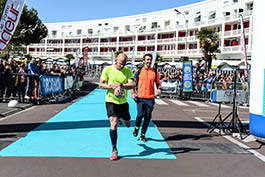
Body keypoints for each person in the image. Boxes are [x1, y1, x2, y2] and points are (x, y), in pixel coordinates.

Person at [99, 53, 135, 161]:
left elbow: (133, 84)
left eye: (124, 64)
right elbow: (100, 84)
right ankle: (114, 150)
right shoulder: (108, 69)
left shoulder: (128, 71)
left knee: (128, 124)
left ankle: (122, 118)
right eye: (120, 63)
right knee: (113, 123)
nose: (122, 66)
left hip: (123, 102)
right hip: (111, 100)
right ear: (116, 60)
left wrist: (121, 85)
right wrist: (110, 86)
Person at [131, 53, 162, 142]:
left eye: (150, 60)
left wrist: (159, 89)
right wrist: (133, 93)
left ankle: (143, 134)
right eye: (147, 59)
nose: (148, 61)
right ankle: (136, 128)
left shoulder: (155, 72)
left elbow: (158, 83)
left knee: (148, 117)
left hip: (150, 98)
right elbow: (133, 83)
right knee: (140, 115)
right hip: (140, 97)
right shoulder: (139, 71)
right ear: (144, 61)